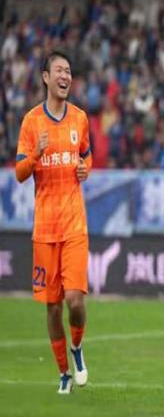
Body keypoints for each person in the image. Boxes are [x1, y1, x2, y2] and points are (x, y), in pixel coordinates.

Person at [15, 50, 92, 394]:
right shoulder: (32, 122)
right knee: (52, 307)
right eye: (59, 70)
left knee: (75, 300)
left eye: (69, 71)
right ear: (46, 77)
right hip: (45, 229)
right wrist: (36, 154)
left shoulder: (80, 118)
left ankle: (77, 347)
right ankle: (63, 373)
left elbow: (87, 156)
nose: (65, 76)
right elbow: (19, 173)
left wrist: (85, 169)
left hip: (74, 224)